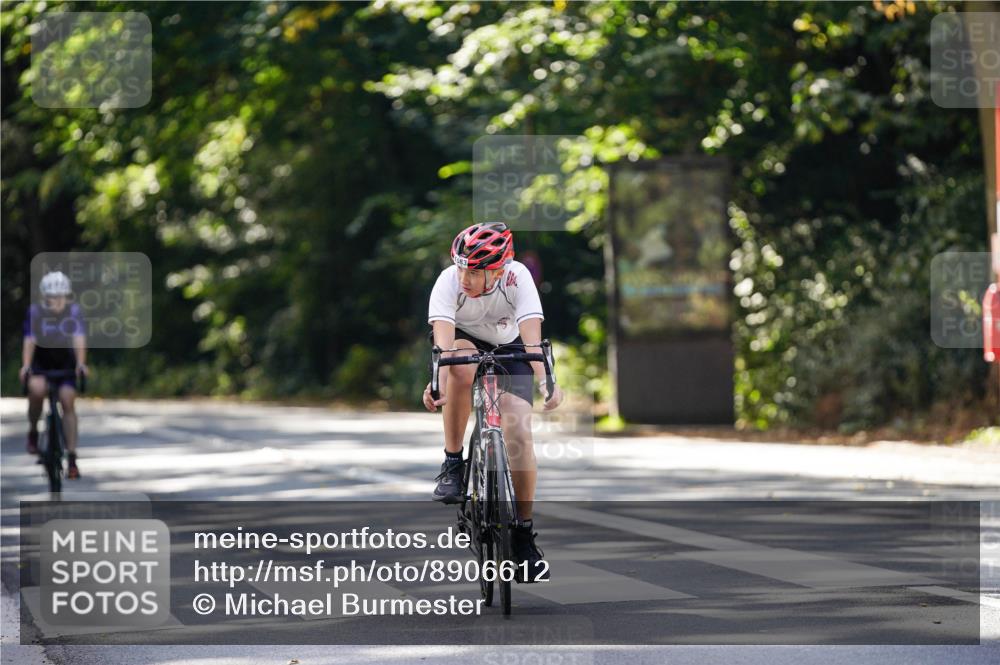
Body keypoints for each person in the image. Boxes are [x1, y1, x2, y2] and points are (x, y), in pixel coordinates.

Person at [423, 222, 563, 582]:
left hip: (511, 343)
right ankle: (453, 462)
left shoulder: (518, 279)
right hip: (464, 341)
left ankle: (523, 536)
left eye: (475, 271)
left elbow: (533, 343)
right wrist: (437, 385)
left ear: (498, 271)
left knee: (519, 430)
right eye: (461, 268)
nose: (465, 278)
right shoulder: (448, 282)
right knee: (459, 368)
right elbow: (442, 347)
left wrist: (548, 380)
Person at [20, 271, 89, 479]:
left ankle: (72, 457)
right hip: (41, 363)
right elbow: (30, 340)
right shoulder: (36, 312)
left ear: (67, 296)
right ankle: (33, 430)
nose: (57, 301)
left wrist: (81, 364)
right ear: (45, 297)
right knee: (37, 390)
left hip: (65, 364)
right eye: (52, 296)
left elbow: (79, 337)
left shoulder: (73, 311)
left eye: (61, 296)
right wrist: (26, 365)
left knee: (68, 401)